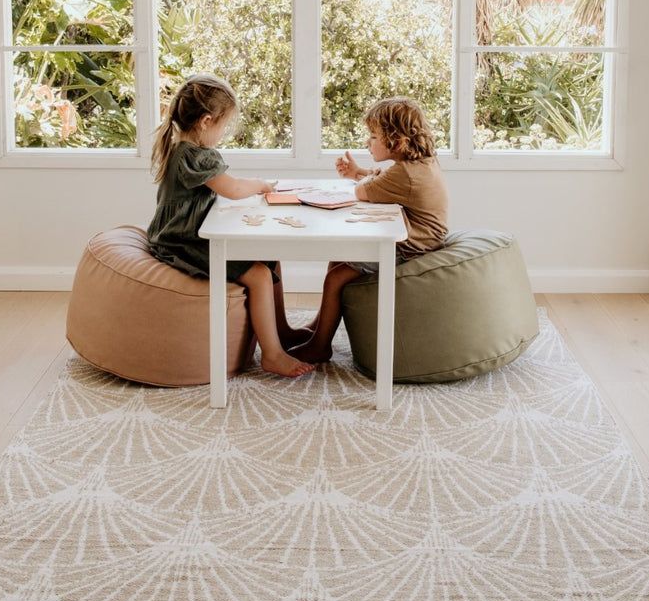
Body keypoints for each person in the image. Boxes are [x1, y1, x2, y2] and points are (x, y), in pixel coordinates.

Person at [147, 73, 314, 378]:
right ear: (206, 121)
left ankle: (282, 332)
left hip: (186, 233)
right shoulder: (195, 156)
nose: (223, 134)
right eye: (223, 126)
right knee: (261, 276)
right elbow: (233, 189)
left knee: (269, 260)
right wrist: (263, 185)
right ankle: (273, 355)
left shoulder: (181, 148)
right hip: (182, 242)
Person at [291, 96, 449, 364]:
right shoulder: (418, 164)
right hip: (416, 238)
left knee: (336, 277)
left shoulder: (405, 174)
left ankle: (320, 345)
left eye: (374, 136)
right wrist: (357, 172)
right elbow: (380, 181)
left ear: (397, 142)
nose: (368, 142)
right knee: (338, 259)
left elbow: (363, 192)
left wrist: (356, 179)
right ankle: (318, 327)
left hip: (412, 247)